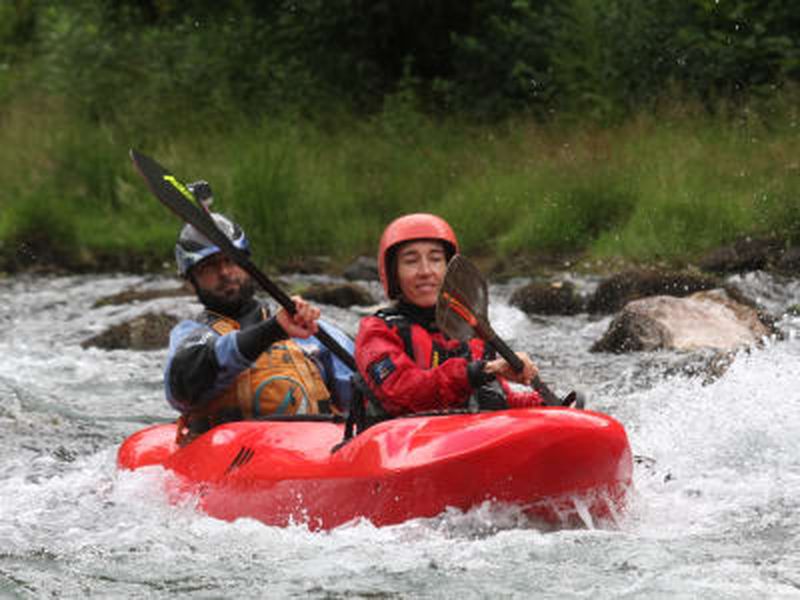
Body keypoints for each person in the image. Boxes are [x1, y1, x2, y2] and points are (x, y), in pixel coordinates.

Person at [164, 185, 354, 445]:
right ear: (191, 281)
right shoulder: (191, 335)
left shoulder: (309, 328)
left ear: (247, 264)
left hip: (316, 450)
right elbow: (183, 386)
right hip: (227, 455)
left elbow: (365, 391)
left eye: (230, 260)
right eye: (209, 267)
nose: (225, 273)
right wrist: (274, 329)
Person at [354, 213, 558, 422]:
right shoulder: (376, 332)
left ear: (449, 268)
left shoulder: (472, 332)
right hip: (401, 443)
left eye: (435, 259)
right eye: (411, 261)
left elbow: (496, 398)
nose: (425, 271)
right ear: (393, 272)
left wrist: (545, 406)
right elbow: (403, 394)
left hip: (465, 436)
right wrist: (479, 371)